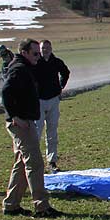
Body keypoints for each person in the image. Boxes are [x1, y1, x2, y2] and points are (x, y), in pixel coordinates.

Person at [0, 38, 60, 217]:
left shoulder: (25, 67)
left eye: (39, 54)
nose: (38, 57)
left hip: (25, 121)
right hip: (22, 124)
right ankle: (42, 206)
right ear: (24, 52)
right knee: (35, 164)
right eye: (35, 53)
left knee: (21, 165)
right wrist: (15, 117)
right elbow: (5, 92)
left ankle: (11, 205)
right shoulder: (19, 69)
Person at [33, 39, 71, 173]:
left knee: (52, 132)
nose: (46, 50)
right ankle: (35, 161)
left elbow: (65, 72)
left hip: (53, 100)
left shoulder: (56, 61)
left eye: (48, 47)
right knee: (36, 132)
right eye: (43, 48)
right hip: (38, 101)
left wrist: (60, 87)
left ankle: (52, 161)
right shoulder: (35, 63)